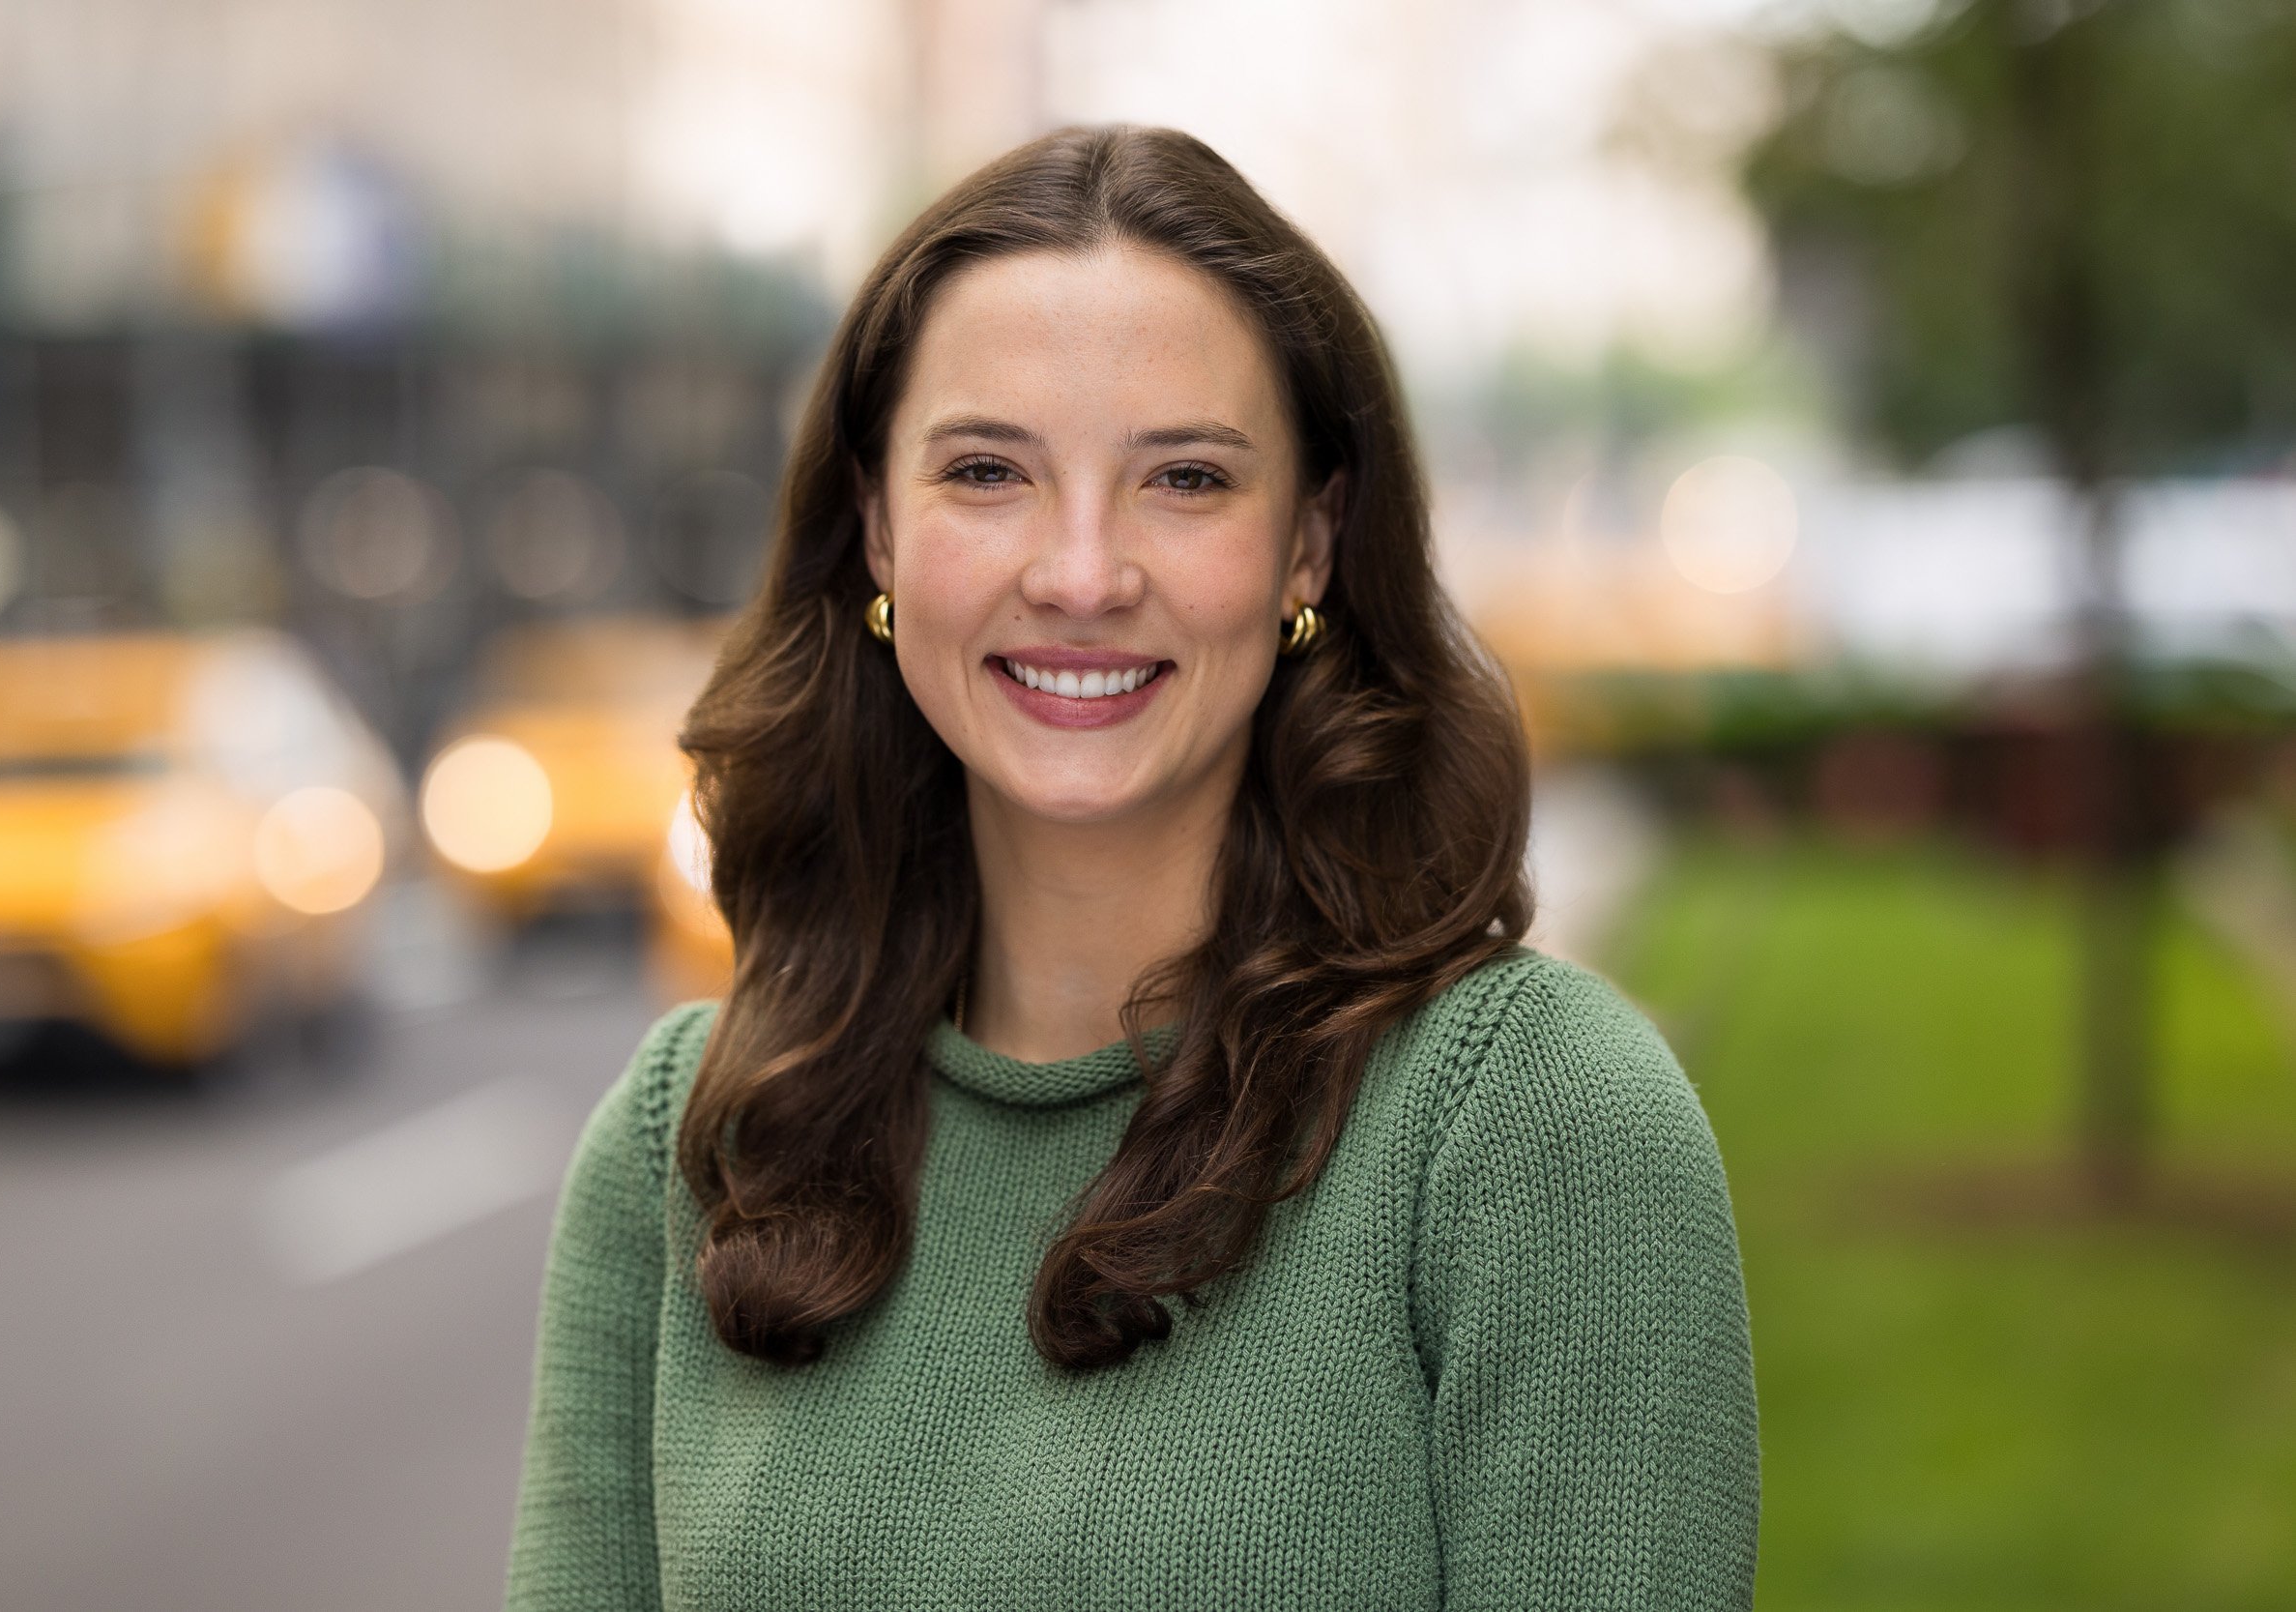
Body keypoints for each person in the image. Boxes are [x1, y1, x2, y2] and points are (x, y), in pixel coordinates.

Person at [507, 125, 1758, 1611]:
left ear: (1310, 542)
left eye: (1184, 479)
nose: (1083, 574)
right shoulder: (688, 1142)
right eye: (987, 471)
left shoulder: (1526, 1126)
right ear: (878, 530)